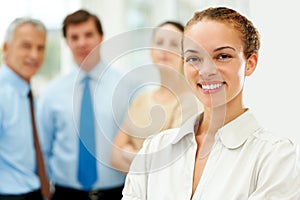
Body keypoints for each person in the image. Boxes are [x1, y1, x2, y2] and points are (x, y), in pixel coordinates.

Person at [122, 7, 300, 200]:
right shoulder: (155, 148)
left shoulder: (275, 156)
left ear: (250, 63)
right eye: (194, 58)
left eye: (222, 56)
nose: (206, 70)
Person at [37, 9, 133, 200]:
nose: (82, 43)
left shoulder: (126, 86)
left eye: (88, 35)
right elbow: (43, 149)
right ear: (67, 43)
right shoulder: (51, 93)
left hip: (118, 193)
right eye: (74, 37)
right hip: (65, 194)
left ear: (101, 37)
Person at [110, 21, 202, 173]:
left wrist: (129, 153)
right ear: (151, 51)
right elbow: (114, 156)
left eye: (173, 44)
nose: (165, 49)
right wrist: (148, 162)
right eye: (159, 42)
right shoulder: (141, 99)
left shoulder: (192, 103)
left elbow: (173, 165)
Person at [0, 18, 49, 199]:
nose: (34, 55)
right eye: (26, 46)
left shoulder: (28, 92)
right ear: (6, 48)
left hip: (33, 191)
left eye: (40, 47)